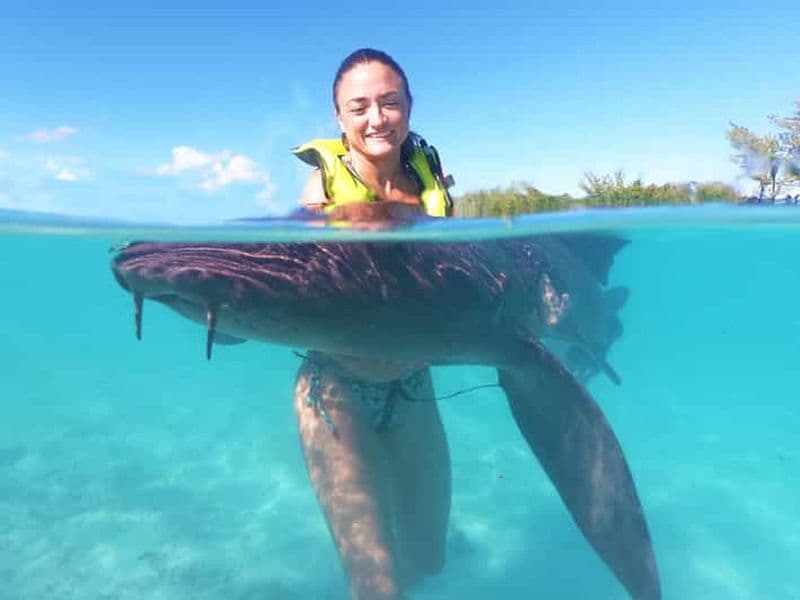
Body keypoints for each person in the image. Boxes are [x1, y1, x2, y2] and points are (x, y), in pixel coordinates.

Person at [292, 48, 454, 600]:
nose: (376, 118)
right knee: (377, 584)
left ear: (409, 106)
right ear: (339, 118)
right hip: (335, 389)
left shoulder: (431, 181)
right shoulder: (322, 192)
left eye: (389, 102)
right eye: (358, 107)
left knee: (429, 560)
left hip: (414, 386)